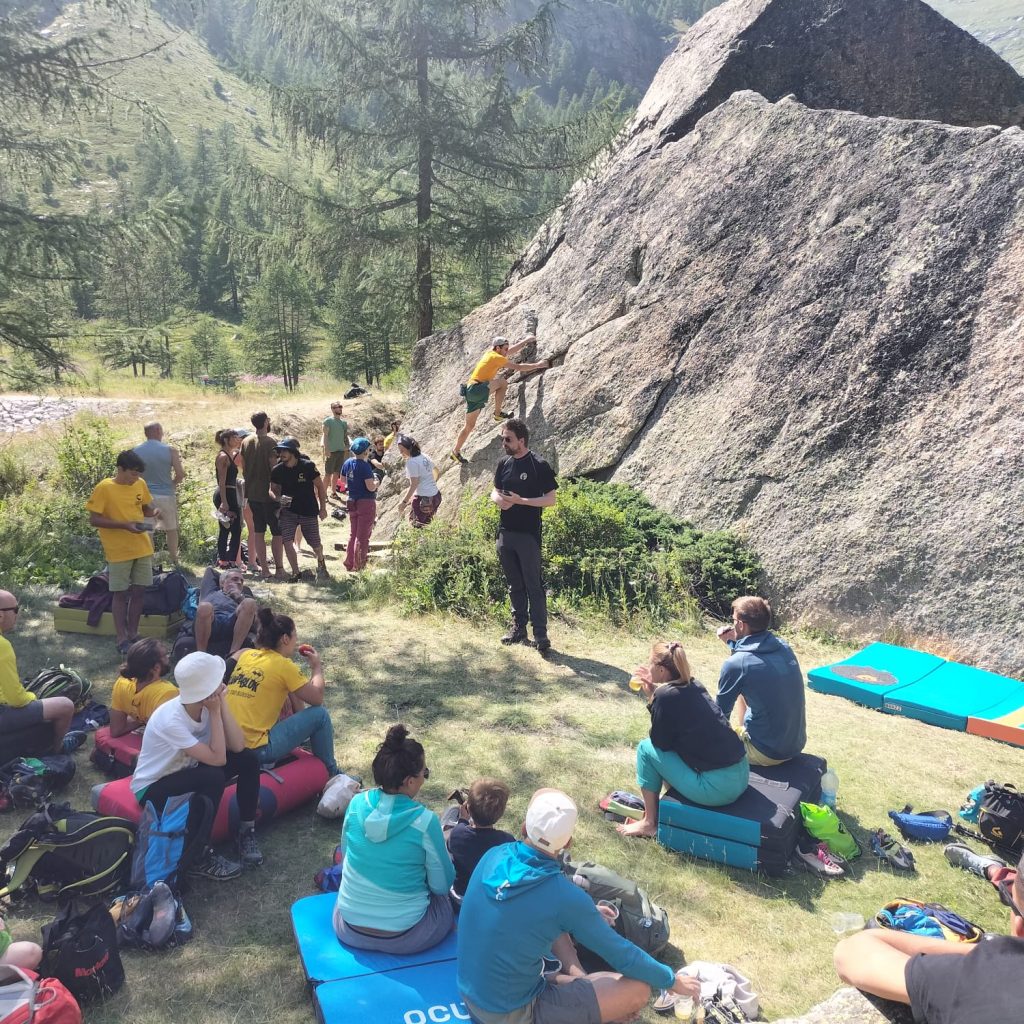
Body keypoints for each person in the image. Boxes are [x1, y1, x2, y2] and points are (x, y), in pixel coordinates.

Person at [457, 788, 701, 1024]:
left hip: (470, 993)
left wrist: (585, 913)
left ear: (523, 827)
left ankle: (578, 987)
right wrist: (672, 981)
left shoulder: (494, 854)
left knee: (593, 972)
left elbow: (526, 910)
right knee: (637, 989)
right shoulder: (563, 896)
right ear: (568, 843)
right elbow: (622, 955)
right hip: (512, 1013)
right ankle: (587, 1000)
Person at [833, 849, 1024, 1023]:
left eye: (1007, 897)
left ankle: (989, 867)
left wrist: (988, 954)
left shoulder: (984, 981)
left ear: (1020, 926)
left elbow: (851, 952)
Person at [130, 651, 264, 877]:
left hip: (188, 770)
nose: (223, 684)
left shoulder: (206, 706)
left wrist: (221, 706)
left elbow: (238, 746)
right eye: (218, 681)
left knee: (248, 759)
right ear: (207, 691)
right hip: (152, 788)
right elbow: (218, 759)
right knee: (213, 777)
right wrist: (215, 713)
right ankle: (199, 854)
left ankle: (246, 831)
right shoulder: (171, 719)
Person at [333, 724, 455, 953]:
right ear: (410, 781)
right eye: (425, 773)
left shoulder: (356, 804)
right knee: (444, 903)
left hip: (348, 928)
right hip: (407, 935)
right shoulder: (425, 822)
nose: (425, 778)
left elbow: (346, 856)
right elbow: (442, 885)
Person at [616, 642, 750, 839]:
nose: (648, 666)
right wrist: (655, 695)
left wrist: (654, 699)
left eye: (650, 663)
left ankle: (649, 823)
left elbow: (660, 743)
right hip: (742, 775)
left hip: (718, 790)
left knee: (645, 749)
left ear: (661, 670)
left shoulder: (664, 696)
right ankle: (669, 802)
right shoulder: (694, 685)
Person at [225, 609, 339, 777]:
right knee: (320, 715)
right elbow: (317, 698)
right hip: (256, 749)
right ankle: (332, 773)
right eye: (295, 635)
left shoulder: (246, 655)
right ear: (285, 638)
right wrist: (316, 667)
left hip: (227, 742)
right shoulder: (283, 666)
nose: (296, 640)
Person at [490, 418, 557, 652]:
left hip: (528, 535)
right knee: (514, 584)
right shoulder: (504, 463)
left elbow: (550, 499)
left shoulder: (539, 465)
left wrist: (521, 501)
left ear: (521, 440)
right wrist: (498, 500)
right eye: (502, 439)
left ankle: (540, 635)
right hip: (505, 533)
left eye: (508, 439)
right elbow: (495, 491)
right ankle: (519, 629)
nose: (504, 444)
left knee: (533, 585)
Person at [715, 596, 806, 766]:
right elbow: (748, 665)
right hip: (795, 745)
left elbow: (719, 716)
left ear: (741, 625)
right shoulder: (784, 647)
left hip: (767, 752)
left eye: (733, 620)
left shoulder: (736, 664)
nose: (733, 624)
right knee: (744, 688)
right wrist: (733, 644)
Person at [87, 449, 161, 654]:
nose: (135, 478)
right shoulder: (104, 488)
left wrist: (154, 512)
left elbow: (145, 508)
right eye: (132, 473)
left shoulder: (140, 484)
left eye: (138, 474)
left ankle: (133, 633)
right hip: (118, 550)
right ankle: (121, 638)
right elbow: (94, 519)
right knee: (120, 593)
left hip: (142, 546)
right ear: (120, 469)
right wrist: (124, 525)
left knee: (140, 591)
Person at [0, 590, 81, 753]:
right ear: (1, 616)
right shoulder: (2, 646)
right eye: (15, 609)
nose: (17, 614)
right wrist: (32, 696)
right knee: (65, 706)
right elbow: (17, 700)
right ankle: (57, 749)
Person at [450, 336, 549, 464]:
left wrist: (525, 341)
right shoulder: (496, 357)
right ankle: (497, 414)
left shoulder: (491, 354)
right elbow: (518, 367)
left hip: (471, 391)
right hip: (477, 389)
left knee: (469, 426)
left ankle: (455, 452)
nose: (507, 351)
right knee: (502, 383)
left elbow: (510, 351)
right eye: (505, 349)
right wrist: (539, 365)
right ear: (498, 348)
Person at [444, 778, 515, 900]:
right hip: (489, 897)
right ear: (501, 813)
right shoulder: (507, 842)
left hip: (460, 895)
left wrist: (463, 819)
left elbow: (460, 832)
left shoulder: (457, 833)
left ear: (468, 807)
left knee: (448, 817)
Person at [269, 437, 329, 583]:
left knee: (315, 544)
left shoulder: (308, 466)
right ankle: (296, 573)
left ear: (293, 452)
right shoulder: (277, 470)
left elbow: (320, 487)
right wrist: (278, 498)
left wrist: (323, 508)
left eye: (284, 451)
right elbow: (272, 489)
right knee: (287, 541)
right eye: (280, 451)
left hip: (308, 510)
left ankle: (321, 561)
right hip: (288, 511)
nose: (281, 454)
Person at [240, 411, 286, 581]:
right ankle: (279, 569)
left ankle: (264, 570)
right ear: (266, 422)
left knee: (258, 530)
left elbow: (243, 467)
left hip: (252, 493)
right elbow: (274, 468)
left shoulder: (246, 441)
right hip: (269, 494)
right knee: (277, 532)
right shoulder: (270, 442)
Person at [133, 422, 184, 564]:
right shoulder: (170, 450)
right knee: (171, 528)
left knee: (147, 529)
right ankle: (174, 559)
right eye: (161, 430)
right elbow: (180, 474)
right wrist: (172, 485)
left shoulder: (135, 451)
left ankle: (148, 561)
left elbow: (133, 476)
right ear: (157, 431)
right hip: (166, 494)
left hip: (144, 496)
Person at [109, 638, 178, 738]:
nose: (168, 657)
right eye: (165, 655)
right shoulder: (168, 693)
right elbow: (168, 737)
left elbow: (116, 730)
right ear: (156, 668)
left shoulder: (122, 682)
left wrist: (142, 719)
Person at [194, 568, 258, 655]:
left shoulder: (244, 597)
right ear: (222, 582)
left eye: (241, 581)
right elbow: (209, 571)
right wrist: (224, 580)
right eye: (235, 579)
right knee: (204, 606)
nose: (239, 582)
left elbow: (258, 619)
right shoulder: (210, 591)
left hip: (232, 622)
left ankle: (233, 654)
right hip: (212, 620)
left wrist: (239, 597)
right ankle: (201, 654)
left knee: (250, 602)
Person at [341, 437, 378, 573]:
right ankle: (359, 565)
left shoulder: (348, 463)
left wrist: (354, 483)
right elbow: (370, 487)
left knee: (353, 534)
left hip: (352, 500)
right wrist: (377, 482)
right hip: (366, 502)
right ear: (366, 451)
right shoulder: (365, 466)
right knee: (362, 536)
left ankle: (349, 562)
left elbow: (343, 480)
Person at [395, 434, 441, 527]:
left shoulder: (411, 462)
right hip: (436, 496)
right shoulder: (424, 456)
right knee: (428, 525)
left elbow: (414, 484)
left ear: (409, 448)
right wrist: (431, 484)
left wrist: (404, 502)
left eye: (402, 450)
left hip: (423, 500)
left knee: (417, 526)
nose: (401, 453)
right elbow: (436, 471)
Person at [214, 428, 243, 570]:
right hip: (225, 493)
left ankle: (230, 560)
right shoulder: (223, 456)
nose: (237, 439)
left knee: (235, 528)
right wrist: (224, 502)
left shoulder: (230, 455)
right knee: (227, 527)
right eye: (234, 437)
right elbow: (222, 481)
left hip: (231, 493)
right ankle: (225, 560)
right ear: (226, 439)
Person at [322, 402, 350, 498]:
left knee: (337, 473)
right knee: (328, 474)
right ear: (333, 409)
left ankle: (333, 492)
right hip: (331, 451)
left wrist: (347, 446)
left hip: (340, 451)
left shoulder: (343, 423)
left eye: (341, 407)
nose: (340, 408)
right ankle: (323, 494)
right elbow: (325, 436)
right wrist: (326, 449)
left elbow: (345, 436)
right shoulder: (328, 421)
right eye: (338, 407)